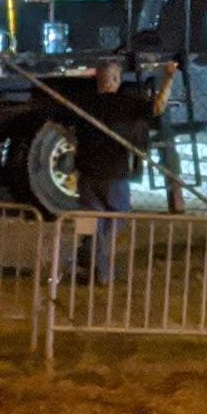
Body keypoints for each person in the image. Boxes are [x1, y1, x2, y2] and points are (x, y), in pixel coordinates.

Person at [69, 60, 168, 282]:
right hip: (114, 174)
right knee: (117, 217)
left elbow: (73, 136)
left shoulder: (85, 105)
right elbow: (157, 108)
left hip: (87, 175)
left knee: (89, 221)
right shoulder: (125, 103)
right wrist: (168, 79)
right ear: (115, 79)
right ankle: (101, 266)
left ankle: (87, 264)